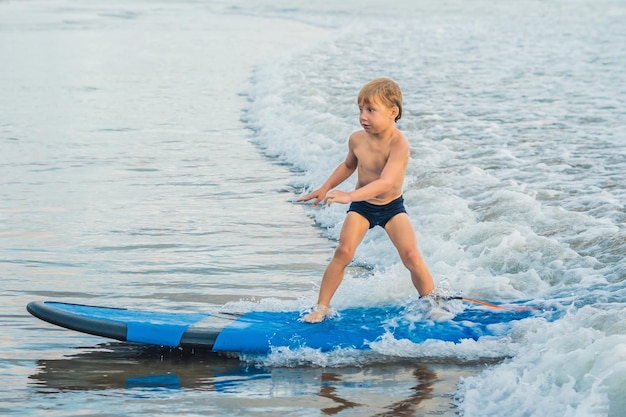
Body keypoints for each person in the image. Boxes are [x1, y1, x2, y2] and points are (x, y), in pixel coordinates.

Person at [297, 78, 436, 323]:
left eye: (371, 110)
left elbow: (385, 182)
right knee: (343, 252)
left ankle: (432, 304)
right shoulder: (357, 139)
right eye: (360, 110)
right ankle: (321, 307)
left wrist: (349, 195)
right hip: (362, 207)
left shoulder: (399, 144)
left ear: (393, 112)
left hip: (392, 207)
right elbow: (349, 165)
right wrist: (325, 187)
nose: (363, 116)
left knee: (411, 257)